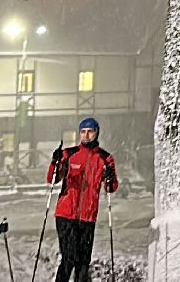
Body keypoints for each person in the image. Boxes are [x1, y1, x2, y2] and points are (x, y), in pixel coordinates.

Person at [47, 117, 119, 282]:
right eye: (83, 132)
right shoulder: (69, 154)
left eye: (90, 131)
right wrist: (55, 162)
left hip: (88, 217)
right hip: (66, 215)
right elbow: (52, 178)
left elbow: (111, 188)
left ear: (96, 133)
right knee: (69, 258)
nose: (86, 135)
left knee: (83, 262)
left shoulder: (105, 158)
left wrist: (109, 176)